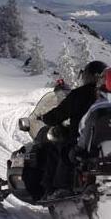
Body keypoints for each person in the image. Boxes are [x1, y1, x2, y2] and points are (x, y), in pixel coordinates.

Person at [40, 60, 108, 198]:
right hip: (103, 146)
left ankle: (58, 189)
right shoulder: (106, 97)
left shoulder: (80, 94)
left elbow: (59, 114)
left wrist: (45, 118)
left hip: (82, 140)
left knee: (59, 150)